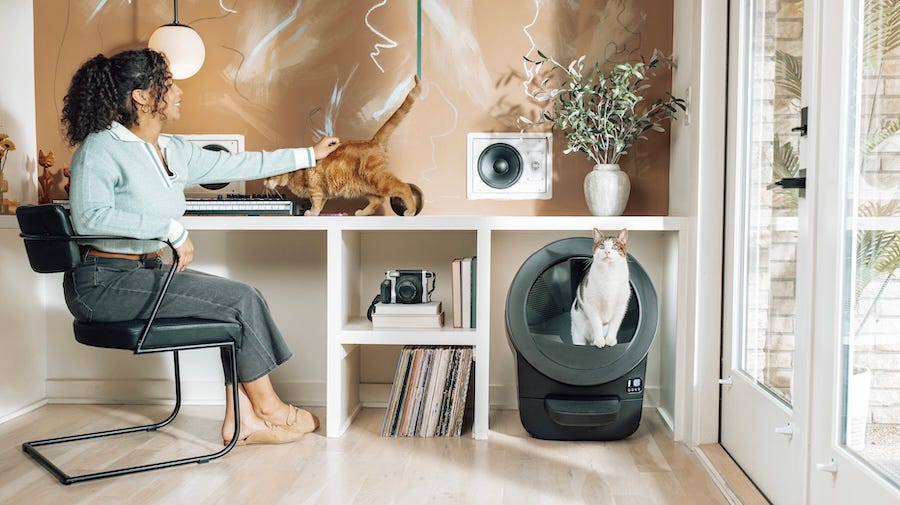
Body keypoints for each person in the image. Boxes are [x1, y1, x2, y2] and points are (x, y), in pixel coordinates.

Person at [60, 48, 341, 445]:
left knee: (238, 305)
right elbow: (90, 217)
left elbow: (241, 164)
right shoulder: (100, 149)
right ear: (141, 96)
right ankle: (269, 410)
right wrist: (170, 230)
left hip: (144, 274)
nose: (178, 93)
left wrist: (308, 154)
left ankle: (241, 418)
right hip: (101, 285)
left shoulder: (173, 150)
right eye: (169, 84)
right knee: (242, 300)